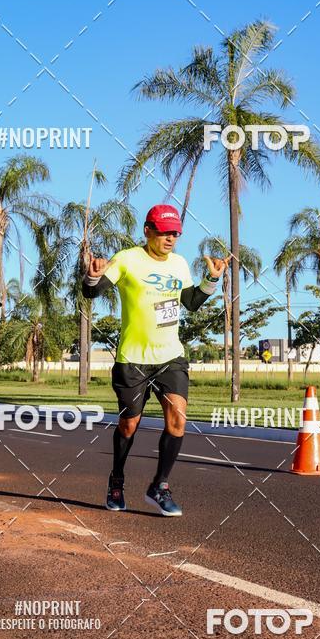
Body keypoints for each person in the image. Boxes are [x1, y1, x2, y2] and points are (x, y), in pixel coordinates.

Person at [82, 204, 227, 516]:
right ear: (147, 230)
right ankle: (117, 480)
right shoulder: (128, 259)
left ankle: (159, 485)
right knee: (128, 424)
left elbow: (189, 302)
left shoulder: (179, 264)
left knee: (178, 419)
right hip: (132, 359)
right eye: (164, 231)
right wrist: (93, 277)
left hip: (170, 357)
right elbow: (92, 292)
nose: (170, 237)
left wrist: (211, 280)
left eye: (175, 232)